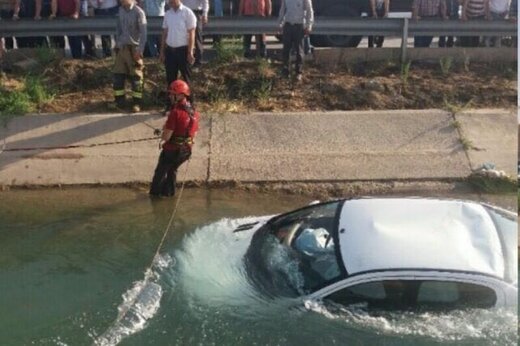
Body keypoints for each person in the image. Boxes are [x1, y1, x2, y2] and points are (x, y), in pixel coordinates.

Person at [150, 80, 200, 197]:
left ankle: (155, 195)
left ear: (181, 95)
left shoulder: (175, 112)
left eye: (173, 94)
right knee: (172, 169)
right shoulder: (195, 112)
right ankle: (169, 194)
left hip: (172, 150)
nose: (170, 96)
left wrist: (162, 135)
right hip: (186, 151)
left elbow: (167, 137)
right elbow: (194, 133)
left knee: (160, 173)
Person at [112, 0, 147, 112]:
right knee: (118, 76)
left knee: (136, 77)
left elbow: (143, 33)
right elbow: (118, 28)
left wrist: (140, 50)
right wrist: (117, 44)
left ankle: (137, 103)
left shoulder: (139, 12)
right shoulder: (121, 10)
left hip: (134, 49)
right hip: (122, 48)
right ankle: (119, 102)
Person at [159, 0, 196, 105]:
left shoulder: (187, 12)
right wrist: (162, 52)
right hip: (170, 51)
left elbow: (192, 33)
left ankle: (190, 104)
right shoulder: (167, 14)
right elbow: (164, 33)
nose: (170, 1)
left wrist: (190, 52)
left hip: (183, 51)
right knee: (170, 79)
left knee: (186, 79)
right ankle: (170, 105)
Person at [278, 0, 314, 81]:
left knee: (299, 50)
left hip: (299, 26)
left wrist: (309, 26)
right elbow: (282, 10)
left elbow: (309, 11)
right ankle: (285, 71)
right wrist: (280, 23)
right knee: (286, 50)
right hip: (288, 25)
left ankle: (298, 72)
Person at [181, 0, 208, 67]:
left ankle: (198, 62)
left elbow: (205, 2)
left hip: (196, 13)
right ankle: (185, 61)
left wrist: (205, 14)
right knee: (183, 37)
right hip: (184, 12)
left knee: (197, 38)